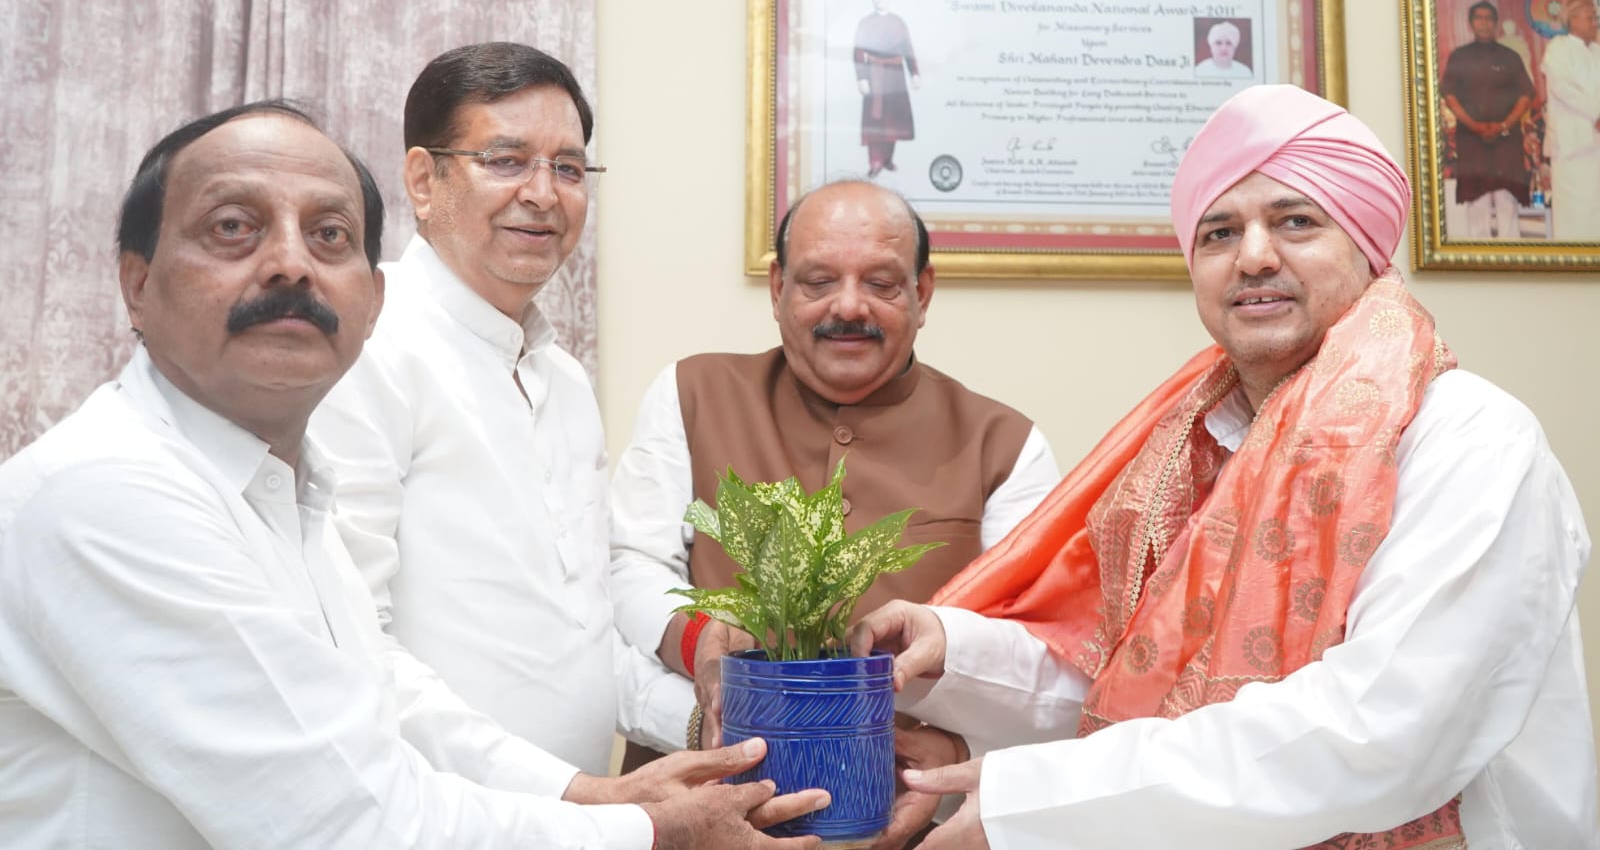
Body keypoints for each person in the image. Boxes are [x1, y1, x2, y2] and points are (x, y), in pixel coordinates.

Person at [0, 100, 828, 849]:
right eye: (233, 227)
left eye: (329, 236)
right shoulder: (108, 493)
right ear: (137, 283)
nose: (290, 264)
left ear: (369, 299)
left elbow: (382, 701)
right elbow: (348, 821)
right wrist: (644, 829)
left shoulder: (287, 488)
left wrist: (592, 792)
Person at [852, 85, 1597, 849]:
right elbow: (1129, 686)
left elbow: (1383, 733)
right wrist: (953, 653)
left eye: (1296, 221)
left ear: (1368, 246)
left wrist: (1036, 803)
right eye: (1219, 232)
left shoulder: (1470, 438)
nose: (1254, 256)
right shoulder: (1192, 452)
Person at [309, 43, 680, 776]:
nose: (543, 193)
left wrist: (707, 717)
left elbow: (580, 633)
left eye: (568, 168)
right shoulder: (369, 348)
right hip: (436, 812)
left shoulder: (562, 378)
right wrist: (567, 796)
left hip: (568, 814)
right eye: (506, 160)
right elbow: (349, 643)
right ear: (424, 179)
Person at [608, 181, 1061, 779]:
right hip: (694, 797)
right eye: (819, 282)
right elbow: (629, 568)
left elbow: (1046, 654)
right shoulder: (691, 395)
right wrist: (699, 646)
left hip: (909, 809)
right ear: (778, 289)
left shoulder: (1006, 445)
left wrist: (961, 753)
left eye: (881, 284)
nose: (848, 307)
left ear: (922, 293)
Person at [1439, 0, 1537, 239]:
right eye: (1479, 18)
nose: (1484, 23)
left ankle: (1511, 255)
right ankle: (1478, 255)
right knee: (1477, 202)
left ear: (1496, 23)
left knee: (1507, 199)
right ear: (1471, 24)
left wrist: (1504, 125)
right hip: (1471, 139)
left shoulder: (1509, 56)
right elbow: (1449, 96)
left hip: (1507, 139)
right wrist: (1474, 126)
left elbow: (1526, 95)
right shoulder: (1460, 56)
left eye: (1489, 18)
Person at [1541, 0, 1600, 240]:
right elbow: (1562, 88)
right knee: (1574, 213)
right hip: (1571, 146)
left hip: (1596, 146)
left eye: (1595, 18)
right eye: (1590, 18)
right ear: (1573, 20)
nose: (1595, 23)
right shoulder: (1558, 47)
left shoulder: (1597, 51)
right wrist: (1597, 113)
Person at [853, 0, 921, 177]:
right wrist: (861, 78)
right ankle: (875, 162)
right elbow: (858, 52)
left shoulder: (898, 23)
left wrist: (914, 73)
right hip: (874, 75)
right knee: (875, 121)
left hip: (895, 76)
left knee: (892, 121)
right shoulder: (865, 23)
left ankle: (887, 159)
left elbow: (908, 49)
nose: (879, 0)